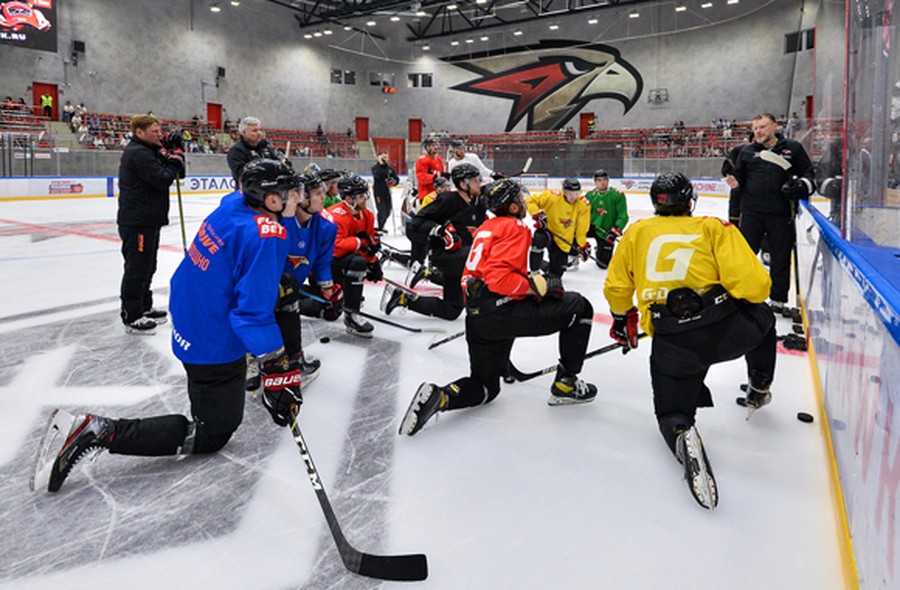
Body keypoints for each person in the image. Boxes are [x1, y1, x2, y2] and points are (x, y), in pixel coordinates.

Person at [33, 160, 304, 493]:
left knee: (216, 401)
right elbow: (250, 314)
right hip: (211, 334)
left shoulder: (235, 204)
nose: (296, 198)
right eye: (288, 192)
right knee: (214, 432)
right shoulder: (268, 235)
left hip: (192, 310)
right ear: (269, 199)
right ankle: (98, 430)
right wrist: (277, 368)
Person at [603, 172, 777, 510]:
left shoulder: (635, 233)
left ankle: (683, 432)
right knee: (764, 321)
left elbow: (616, 289)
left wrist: (623, 316)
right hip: (727, 329)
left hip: (673, 341)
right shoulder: (713, 227)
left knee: (671, 413)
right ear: (689, 201)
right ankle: (759, 384)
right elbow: (755, 287)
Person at [399, 180, 597, 437]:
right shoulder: (515, 227)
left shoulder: (486, 226)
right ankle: (567, 383)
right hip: (502, 314)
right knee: (581, 307)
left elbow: (479, 278)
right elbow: (501, 280)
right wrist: (536, 288)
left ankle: (443, 396)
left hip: (478, 319)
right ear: (513, 206)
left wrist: (526, 285)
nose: (525, 202)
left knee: (486, 388)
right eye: (521, 199)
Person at [724, 113, 815, 313]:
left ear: (775, 126)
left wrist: (800, 185)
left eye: (763, 127)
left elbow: (809, 175)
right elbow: (738, 178)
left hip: (781, 214)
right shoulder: (747, 152)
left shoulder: (793, 148)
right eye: (755, 128)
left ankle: (778, 299)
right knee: (745, 256)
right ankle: (744, 295)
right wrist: (735, 182)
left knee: (780, 257)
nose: (758, 131)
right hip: (751, 214)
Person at [383, 163, 484, 320]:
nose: (480, 183)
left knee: (452, 310)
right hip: (446, 255)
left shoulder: (478, 203)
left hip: (461, 259)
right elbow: (418, 221)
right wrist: (440, 230)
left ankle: (403, 298)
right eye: (475, 180)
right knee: (478, 256)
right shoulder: (448, 199)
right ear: (463, 184)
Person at [116, 114, 185, 334]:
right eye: (154, 131)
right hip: (137, 221)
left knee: (148, 266)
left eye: (159, 130)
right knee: (137, 268)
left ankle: (144, 307)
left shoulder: (150, 151)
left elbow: (178, 174)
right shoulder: (138, 154)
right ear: (139, 132)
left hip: (149, 219)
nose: (159, 134)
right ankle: (132, 315)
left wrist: (175, 153)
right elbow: (163, 178)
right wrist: (173, 160)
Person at [324, 174, 380, 338]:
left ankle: (350, 302)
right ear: (348, 198)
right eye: (361, 196)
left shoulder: (367, 215)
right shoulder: (336, 215)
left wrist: (373, 262)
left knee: (361, 262)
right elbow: (336, 248)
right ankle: (351, 315)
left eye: (365, 195)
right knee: (357, 262)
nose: (365, 199)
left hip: (342, 262)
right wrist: (359, 242)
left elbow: (367, 244)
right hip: (324, 266)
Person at [526, 178, 592, 277]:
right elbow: (530, 201)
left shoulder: (583, 205)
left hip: (563, 239)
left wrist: (582, 245)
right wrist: (538, 215)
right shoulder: (552, 196)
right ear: (564, 191)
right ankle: (534, 272)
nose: (573, 197)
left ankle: (544, 265)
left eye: (576, 193)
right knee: (539, 238)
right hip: (548, 231)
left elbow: (581, 229)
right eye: (570, 193)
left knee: (556, 274)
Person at [583, 170, 628, 269]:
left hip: (606, 232)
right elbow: (582, 214)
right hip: (592, 227)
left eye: (604, 180)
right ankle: (573, 257)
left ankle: (599, 249)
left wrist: (615, 230)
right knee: (570, 233)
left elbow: (623, 216)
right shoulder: (590, 196)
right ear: (595, 182)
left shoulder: (617, 195)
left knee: (603, 264)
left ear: (608, 181)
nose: (602, 182)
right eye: (599, 180)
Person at [226, 116, 281, 184]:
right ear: (243, 132)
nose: (259, 133)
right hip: (249, 192)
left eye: (260, 130)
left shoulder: (266, 147)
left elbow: (279, 165)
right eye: (254, 131)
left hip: (271, 191)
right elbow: (242, 175)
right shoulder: (236, 150)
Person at [722, 129, 755, 226]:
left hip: (756, 196)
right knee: (735, 221)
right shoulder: (738, 151)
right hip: (738, 192)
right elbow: (726, 169)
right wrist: (735, 176)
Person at [371, 151, 400, 231]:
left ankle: (381, 225)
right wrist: (381, 164)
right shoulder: (375, 168)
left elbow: (397, 179)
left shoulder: (390, 169)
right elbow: (378, 174)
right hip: (378, 192)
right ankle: (379, 226)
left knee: (388, 211)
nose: (385, 159)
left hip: (387, 192)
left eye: (386, 157)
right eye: (383, 157)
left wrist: (393, 182)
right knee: (382, 210)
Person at [415, 138, 444, 202]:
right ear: (427, 148)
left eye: (436, 145)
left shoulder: (439, 159)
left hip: (438, 193)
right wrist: (435, 177)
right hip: (426, 194)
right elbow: (421, 177)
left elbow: (441, 174)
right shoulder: (422, 160)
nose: (436, 147)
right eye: (433, 145)